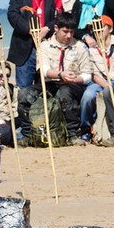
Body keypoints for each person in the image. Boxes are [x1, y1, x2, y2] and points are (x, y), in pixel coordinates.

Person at [23, 12, 91, 143]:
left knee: (64, 93)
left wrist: (74, 79)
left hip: (73, 85)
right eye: (65, 32)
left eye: (71, 32)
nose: (69, 36)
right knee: (24, 94)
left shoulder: (80, 46)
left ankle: (72, 135)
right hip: (50, 83)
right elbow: (43, 70)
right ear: (56, 28)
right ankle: (28, 135)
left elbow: (88, 75)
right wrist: (60, 75)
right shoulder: (44, 45)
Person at [6, 0, 63, 89]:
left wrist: (47, 28)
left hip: (47, 47)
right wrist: (30, 30)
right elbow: (12, 16)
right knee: (24, 90)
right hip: (26, 49)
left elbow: (59, 18)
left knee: (44, 89)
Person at [81, 15, 114, 143]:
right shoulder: (91, 49)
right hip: (99, 82)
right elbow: (92, 73)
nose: (97, 32)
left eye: (100, 28)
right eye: (94, 29)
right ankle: (85, 129)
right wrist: (106, 85)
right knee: (88, 96)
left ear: (110, 29)